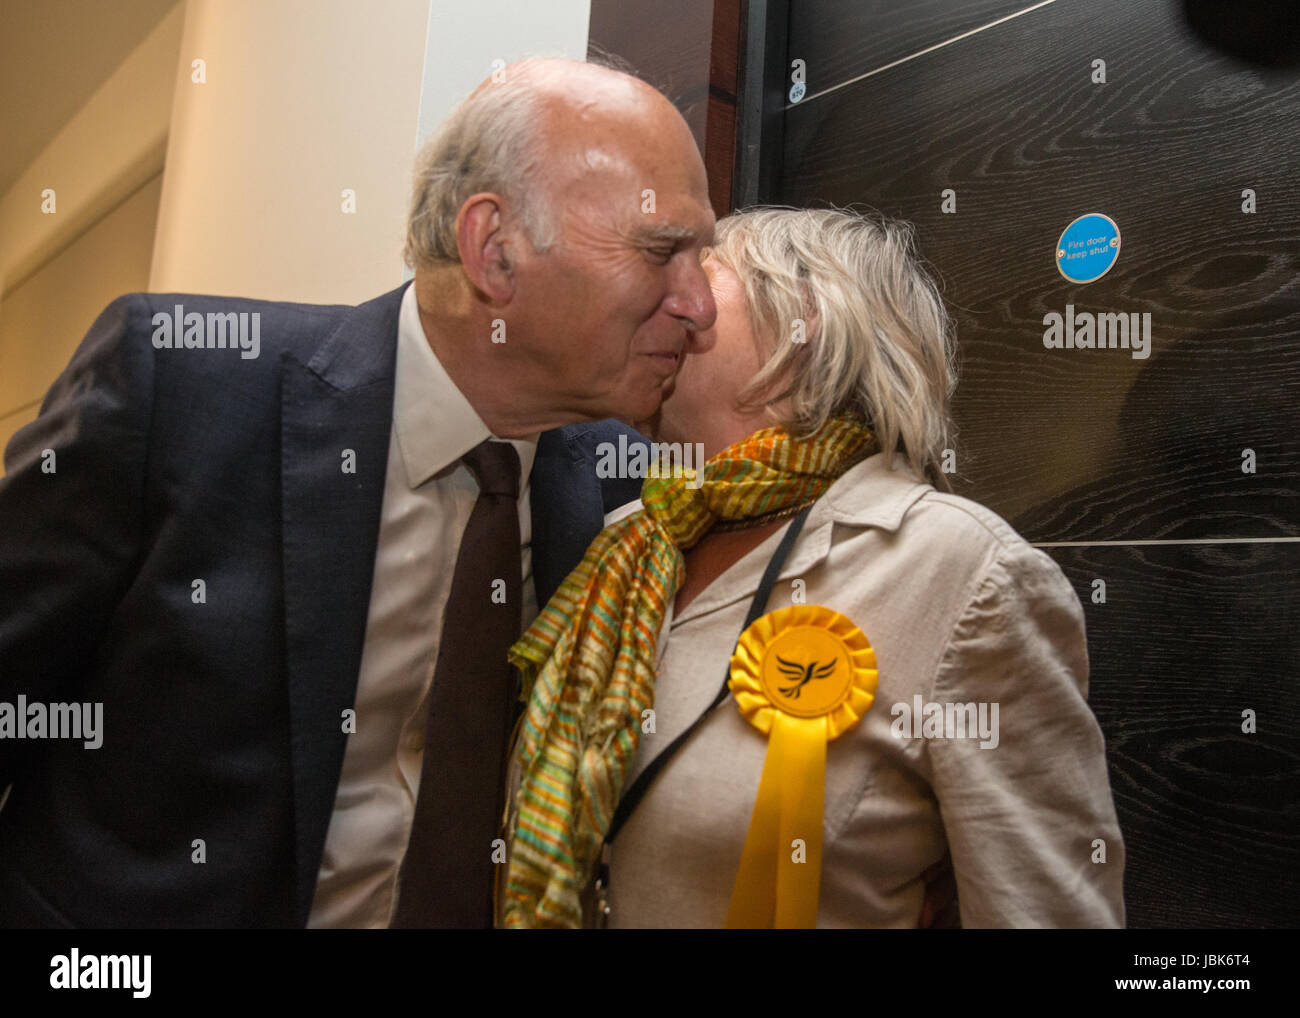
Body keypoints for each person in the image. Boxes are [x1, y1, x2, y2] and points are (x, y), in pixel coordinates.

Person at [0, 56, 717, 928]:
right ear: (494, 249)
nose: (700, 304)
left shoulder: (625, 490)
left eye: (703, 256)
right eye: (661, 250)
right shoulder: (180, 387)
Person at [498, 206, 1126, 929]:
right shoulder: (629, 547)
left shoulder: (962, 570)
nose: (668, 304)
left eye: (699, 276)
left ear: (804, 319)